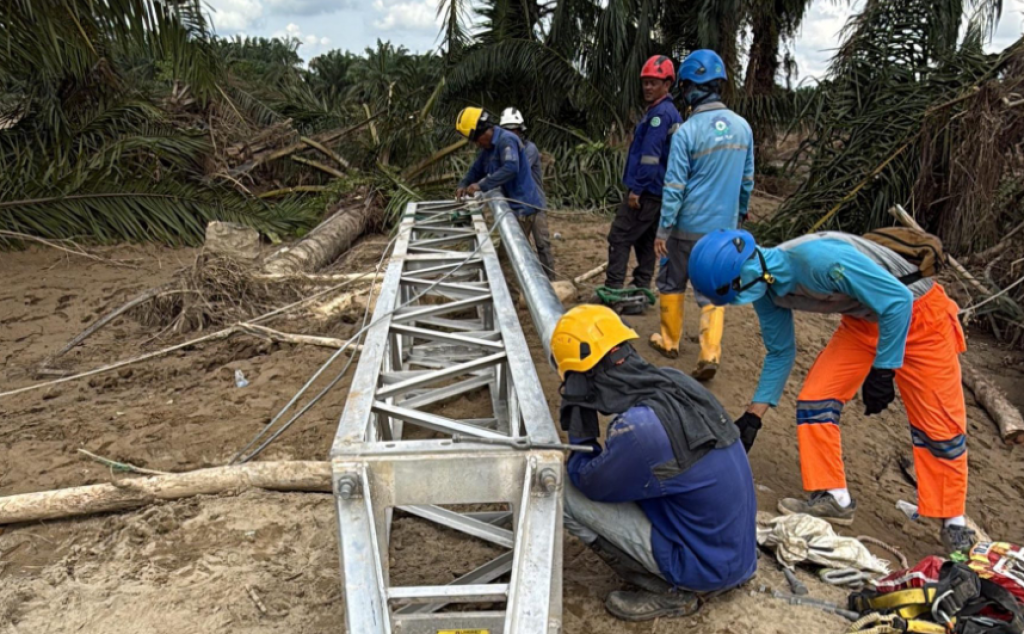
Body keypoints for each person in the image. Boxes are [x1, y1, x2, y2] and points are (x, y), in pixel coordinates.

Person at [687, 229, 975, 553]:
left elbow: (898, 301)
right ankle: (833, 497)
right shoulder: (765, 289)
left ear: (742, 278)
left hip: (921, 318)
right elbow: (781, 352)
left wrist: (884, 369)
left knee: (939, 428)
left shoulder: (819, 261)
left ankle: (953, 521)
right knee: (815, 400)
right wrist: (753, 417)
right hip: (863, 323)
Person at [551, 304, 758, 621]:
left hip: (706, 568)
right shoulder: (674, 383)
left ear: (581, 377)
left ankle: (670, 591)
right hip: (736, 554)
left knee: (563, 491)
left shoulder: (640, 432)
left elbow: (584, 479)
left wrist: (580, 421)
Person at [649, 49, 754, 384]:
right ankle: (710, 353)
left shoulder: (687, 132)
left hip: (685, 227)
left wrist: (663, 230)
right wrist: (739, 214)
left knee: (670, 280)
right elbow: (747, 181)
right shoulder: (743, 128)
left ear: (688, 87)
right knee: (712, 287)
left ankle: (669, 341)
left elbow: (675, 185)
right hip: (722, 229)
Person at [599, 55, 683, 298]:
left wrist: (637, 189)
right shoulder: (668, 112)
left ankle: (612, 291)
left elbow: (650, 157)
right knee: (645, 242)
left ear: (667, 84)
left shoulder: (659, 115)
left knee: (619, 236)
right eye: (645, 82)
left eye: (653, 83)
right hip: (659, 192)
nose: (647, 87)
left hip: (647, 191)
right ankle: (640, 291)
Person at [455, 107, 549, 268]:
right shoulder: (489, 148)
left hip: (522, 208)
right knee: (511, 258)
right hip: (512, 208)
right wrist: (464, 183)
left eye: (476, 141)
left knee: (511, 260)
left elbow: (511, 168)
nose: (477, 145)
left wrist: (481, 185)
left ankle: (521, 290)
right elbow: (476, 169)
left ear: (483, 133)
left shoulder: (507, 140)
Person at [499, 106, 556, 279]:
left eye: (514, 131)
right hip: (517, 207)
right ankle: (521, 281)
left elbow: (511, 171)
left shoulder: (529, 150)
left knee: (542, 244)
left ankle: (550, 280)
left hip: (535, 204)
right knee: (517, 245)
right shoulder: (503, 151)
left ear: (520, 131)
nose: (511, 134)